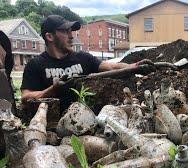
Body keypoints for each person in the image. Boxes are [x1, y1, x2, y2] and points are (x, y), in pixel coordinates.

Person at [21, 15, 155, 113]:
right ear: (49, 37)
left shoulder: (83, 58)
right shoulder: (36, 64)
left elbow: (111, 67)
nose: (71, 36)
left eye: (71, 31)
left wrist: (135, 66)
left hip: (87, 120)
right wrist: (52, 90)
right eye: (65, 31)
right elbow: (25, 97)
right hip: (53, 126)